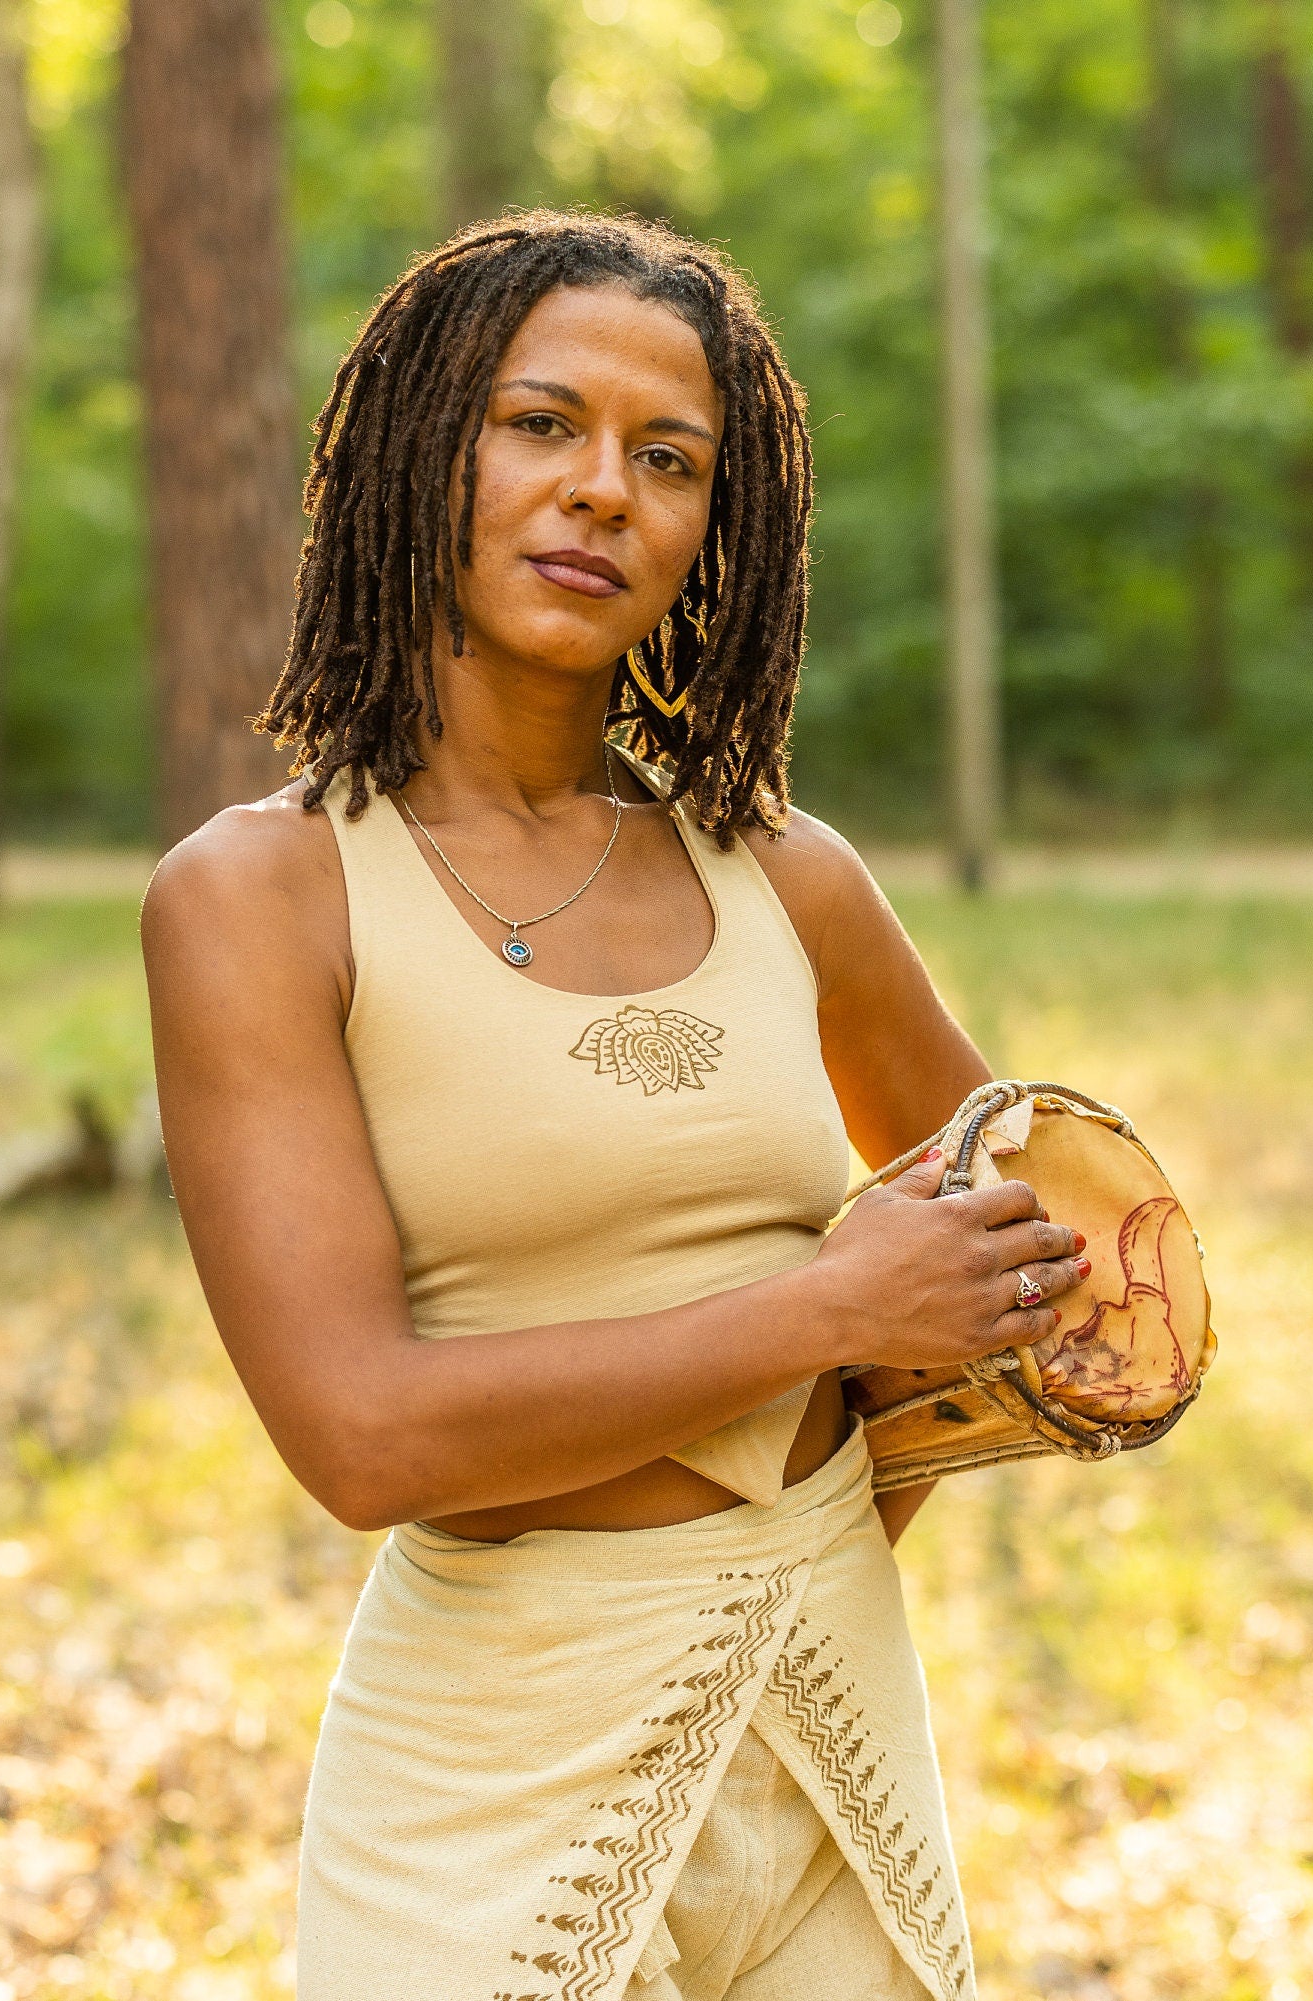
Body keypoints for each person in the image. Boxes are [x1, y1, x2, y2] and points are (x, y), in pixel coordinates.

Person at [143, 211, 1083, 2001]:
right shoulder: (261, 900)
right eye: (540, 425)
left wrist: (835, 1489)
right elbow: (362, 1437)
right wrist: (823, 1313)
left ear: (716, 532)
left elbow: (1031, 1251)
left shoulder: (788, 880)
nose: (602, 493)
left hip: (831, 1741)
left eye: (669, 462)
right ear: (422, 447)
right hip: (491, 1780)